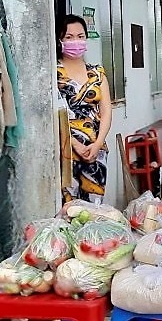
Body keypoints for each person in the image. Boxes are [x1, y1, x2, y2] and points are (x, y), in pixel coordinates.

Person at [57, 14, 112, 203]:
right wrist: (75, 144)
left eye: (80, 36)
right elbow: (51, 116)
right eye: (69, 37)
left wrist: (97, 144)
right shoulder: (53, 74)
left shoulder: (97, 73)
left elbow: (106, 113)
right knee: (69, 209)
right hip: (65, 150)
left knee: (93, 209)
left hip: (95, 152)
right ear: (60, 40)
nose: (76, 41)